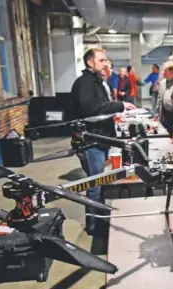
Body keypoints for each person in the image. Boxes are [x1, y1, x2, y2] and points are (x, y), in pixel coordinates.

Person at [71, 48, 136, 235]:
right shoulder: (84, 83)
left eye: (106, 60)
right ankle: (94, 226)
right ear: (90, 62)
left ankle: (100, 219)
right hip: (90, 143)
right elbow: (91, 109)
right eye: (101, 60)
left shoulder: (96, 83)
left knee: (98, 183)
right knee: (95, 185)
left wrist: (113, 117)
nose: (105, 63)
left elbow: (100, 110)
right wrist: (120, 105)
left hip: (99, 140)